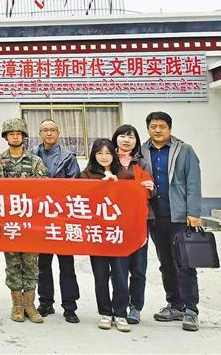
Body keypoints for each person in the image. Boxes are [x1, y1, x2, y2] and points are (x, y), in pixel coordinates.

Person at [140, 111, 202, 332]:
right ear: (148, 128)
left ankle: (190, 310)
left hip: (180, 216)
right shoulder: (142, 151)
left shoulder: (184, 150)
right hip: (156, 216)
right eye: (153, 126)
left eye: (162, 126)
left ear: (169, 128)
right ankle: (174, 305)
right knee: (165, 262)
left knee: (184, 263)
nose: (158, 130)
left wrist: (193, 212)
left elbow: (193, 182)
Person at [0, 118, 48, 324]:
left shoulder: (35, 161)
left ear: (23, 137)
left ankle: (29, 305)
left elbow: (45, 188)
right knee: (13, 264)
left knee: (31, 265)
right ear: (6, 137)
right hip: (9, 223)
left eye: (18, 134)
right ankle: (17, 304)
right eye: (11, 134)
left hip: (31, 222)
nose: (15, 137)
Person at [31, 119, 81, 323]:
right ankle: (45, 302)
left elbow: (75, 186)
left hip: (62, 218)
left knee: (66, 264)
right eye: (45, 130)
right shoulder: (32, 155)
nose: (49, 133)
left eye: (52, 130)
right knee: (43, 264)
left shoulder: (68, 156)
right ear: (40, 133)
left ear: (58, 133)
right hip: (40, 218)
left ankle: (70, 306)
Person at [80, 138, 132, 333]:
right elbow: (80, 197)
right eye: (99, 153)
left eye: (108, 153)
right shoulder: (86, 174)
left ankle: (121, 313)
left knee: (120, 274)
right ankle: (105, 312)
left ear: (114, 154)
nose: (104, 157)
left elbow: (134, 199)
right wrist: (99, 186)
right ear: (94, 155)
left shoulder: (124, 173)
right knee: (100, 275)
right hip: (97, 233)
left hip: (118, 233)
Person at [112, 124, 156, 324]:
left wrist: (150, 187)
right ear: (116, 138)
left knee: (138, 268)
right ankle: (119, 307)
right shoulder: (108, 160)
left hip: (139, 221)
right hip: (115, 222)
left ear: (136, 141)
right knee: (118, 268)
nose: (127, 140)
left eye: (131, 137)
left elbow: (153, 189)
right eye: (123, 136)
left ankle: (136, 307)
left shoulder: (142, 163)